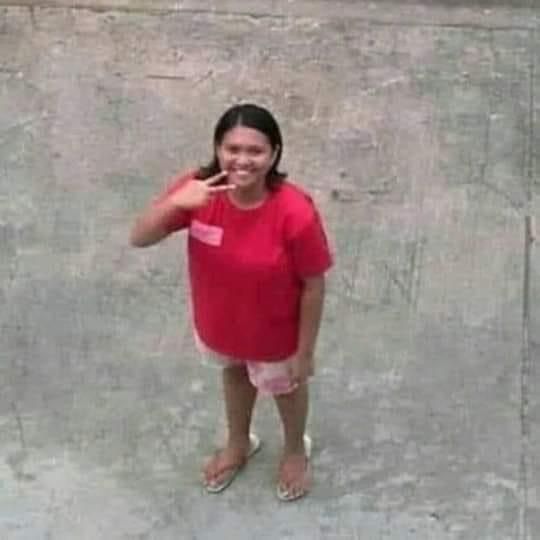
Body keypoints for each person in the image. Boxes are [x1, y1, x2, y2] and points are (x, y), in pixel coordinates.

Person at [129, 103, 333, 501]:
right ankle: (239, 443)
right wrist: (175, 204)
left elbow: (314, 285)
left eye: (255, 151)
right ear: (217, 149)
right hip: (220, 328)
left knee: (285, 390)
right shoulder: (198, 191)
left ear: (274, 154)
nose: (242, 160)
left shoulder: (295, 212)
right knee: (235, 376)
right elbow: (139, 237)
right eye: (231, 148)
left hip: (276, 338)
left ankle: (294, 451)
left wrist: (304, 352)